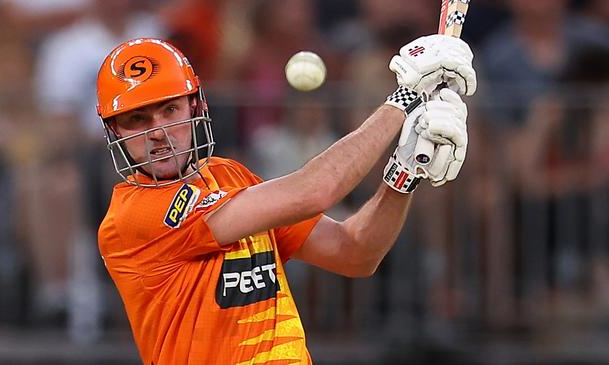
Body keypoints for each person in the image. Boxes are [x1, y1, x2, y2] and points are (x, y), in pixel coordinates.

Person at [96, 36, 475, 364]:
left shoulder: (230, 176)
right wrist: (405, 99)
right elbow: (316, 191)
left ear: (195, 107)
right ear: (114, 130)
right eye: (137, 120)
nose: (158, 133)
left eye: (169, 110)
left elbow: (354, 252)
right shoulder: (131, 217)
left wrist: (404, 171)